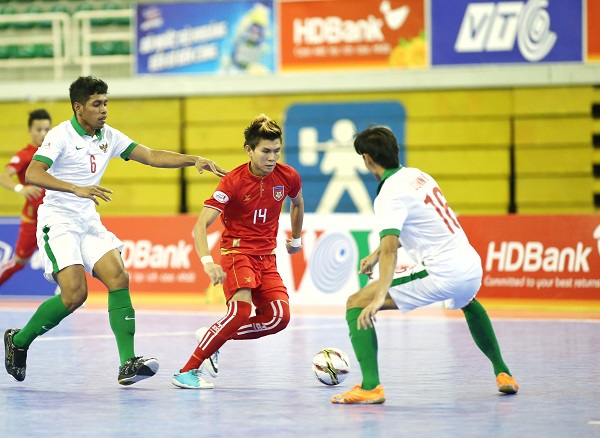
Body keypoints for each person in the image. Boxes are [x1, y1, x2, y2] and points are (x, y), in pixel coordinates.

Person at [3, 76, 227, 386]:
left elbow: (150, 156)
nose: (104, 109)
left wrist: (194, 160)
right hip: (58, 220)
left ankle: (127, 363)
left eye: (106, 102)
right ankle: (20, 340)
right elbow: (33, 172)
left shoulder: (108, 136)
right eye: (97, 104)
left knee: (119, 277)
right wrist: (75, 188)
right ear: (79, 108)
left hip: (88, 220)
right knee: (74, 295)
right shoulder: (60, 135)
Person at [331, 126, 518, 405]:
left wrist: (379, 295)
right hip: (470, 265)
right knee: (468, 302)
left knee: (356, 302)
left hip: (444, 272)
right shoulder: (418, 176)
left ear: (368, 158)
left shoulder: (388, 194)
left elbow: (393, 248)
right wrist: (375, 254)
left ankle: (370, 387)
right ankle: (503, 373)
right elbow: (421, 227)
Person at [171, 114, 304, 389]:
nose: (272, 158)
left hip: (267, 257)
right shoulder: (232, 181)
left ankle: (212, 336)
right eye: (265, 151)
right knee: (240, 312)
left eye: (277, 151)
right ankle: (187, 371)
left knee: (279, 318)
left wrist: (297, 238)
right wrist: (208, 262)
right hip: (237, 253)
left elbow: (297, 203)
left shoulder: (288, 175)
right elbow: (199, 226)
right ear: (249, 150)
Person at [0, 109, 51, 288]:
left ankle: (72, 293)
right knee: (19, 262)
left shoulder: (57, 153)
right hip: (32, 219)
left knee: (66, 256)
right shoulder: (24, 155)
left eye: (46, 129)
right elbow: (4, 176)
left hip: (54, 217)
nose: (43, 134)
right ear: (30, 130)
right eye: (38, 129)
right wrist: (20, 188)